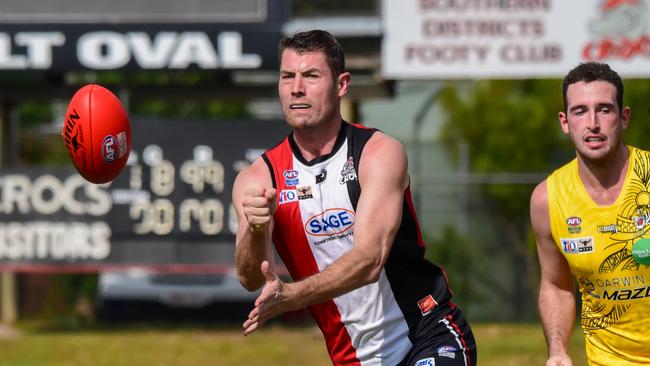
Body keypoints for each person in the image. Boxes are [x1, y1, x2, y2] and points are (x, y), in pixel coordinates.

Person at [232, 29, 477, 366]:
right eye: (287, 76)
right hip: (354, 357)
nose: (296, 88)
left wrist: (292, 295)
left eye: (311, 76)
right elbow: (249, 278)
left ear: (342, 85)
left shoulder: (377, 153)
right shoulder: (259, 177)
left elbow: (370, 260)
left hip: (426, 332)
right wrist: (256, 231)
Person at [531, 62, 650, 365]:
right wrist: (558, 351)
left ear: (624, 118)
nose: (593, 123)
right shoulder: (548, 198)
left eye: (605, 109)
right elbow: (556, 285)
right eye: (580, 111)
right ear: (565, 122)